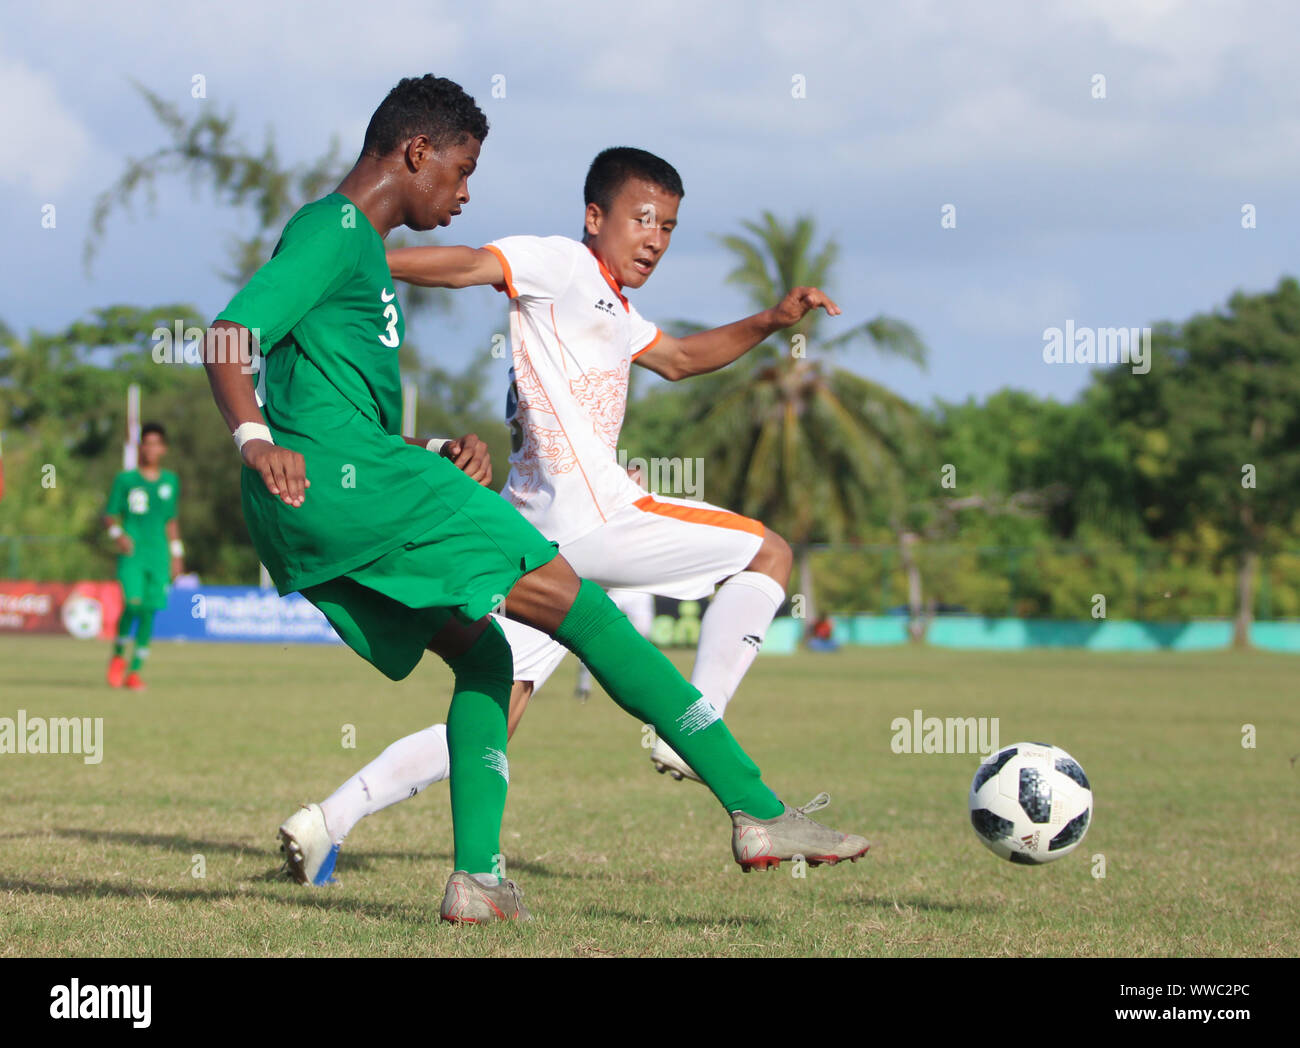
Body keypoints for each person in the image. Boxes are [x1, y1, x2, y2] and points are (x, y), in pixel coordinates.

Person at [205, 76, 868, 921]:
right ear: (417, 153)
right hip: (355, 490)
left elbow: (329, 407)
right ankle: (758, 812)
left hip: (333, 502)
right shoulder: (338, 230)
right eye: (462, 168)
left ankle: (476, 880)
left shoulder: (357, 255)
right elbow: (228, 335)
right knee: (585, 612)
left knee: (488, 658)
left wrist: (432, 450)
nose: (467, 190)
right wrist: (254, 440)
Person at [104, 422, 184, 690]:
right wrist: (118, 535)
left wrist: (176, 554)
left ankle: (135, 671)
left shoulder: (170, 481)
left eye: (156, 444)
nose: (151, 449)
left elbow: (171, 520)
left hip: (159, 555)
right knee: (134, 604)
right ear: (140, 447)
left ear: (163, 448)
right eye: (146, 443)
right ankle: (117, 655)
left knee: (150, 611)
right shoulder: (125, 479)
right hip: (133, 554)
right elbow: (109, 514)